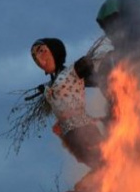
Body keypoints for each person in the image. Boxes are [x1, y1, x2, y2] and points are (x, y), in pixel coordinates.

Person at [29, 38, 106, 168]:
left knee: (100, 158)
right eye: (35, 57)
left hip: (83, 128)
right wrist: (46, 90)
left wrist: (91, 61)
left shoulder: (72, 71)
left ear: (55, 51)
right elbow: (55, 98)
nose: (39, 58)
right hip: (69, 133)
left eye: (42, 51)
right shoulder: (54, 84)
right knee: (88, 160)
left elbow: (90, 68)